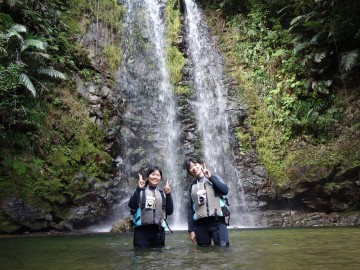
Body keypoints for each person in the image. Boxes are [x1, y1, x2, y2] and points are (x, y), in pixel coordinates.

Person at [184, 157, 230, 247]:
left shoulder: (215, 178)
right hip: (200, 225)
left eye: (195, 164)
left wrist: (210, 178)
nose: (194, 168)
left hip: (218, 222)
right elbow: (190, 209)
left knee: (223, 249)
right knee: (203, 253)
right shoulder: (191, 186)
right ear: (189, 172)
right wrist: (191, 230)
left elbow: (225, 191)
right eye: (190, 167)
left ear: (201, 164)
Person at [128, 165, 173, 248]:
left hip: (158, 232)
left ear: (160, 178)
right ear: (148, 177)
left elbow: (169, 211)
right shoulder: (140, 191)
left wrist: (168, 194)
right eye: (152, 174)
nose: (155, 177)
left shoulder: (162, 194)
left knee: (158, 259)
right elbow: (132, 205)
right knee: (142, 258)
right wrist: (138, 189)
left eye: (158, 175)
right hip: (142, 232)